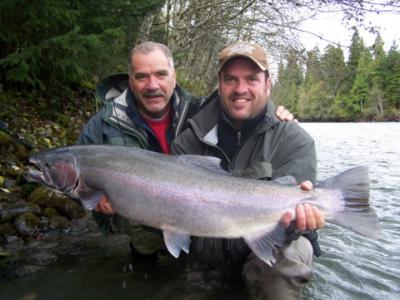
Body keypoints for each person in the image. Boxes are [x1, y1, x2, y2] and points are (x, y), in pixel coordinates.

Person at [77, 41, 296, 258]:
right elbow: (70, 180)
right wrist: (93, 201)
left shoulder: (200, 111)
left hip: (197, 222)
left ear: (174, 77)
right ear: (130, 81)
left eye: (161, 74)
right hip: (141, 228)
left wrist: (275, 117)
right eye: (142, 76)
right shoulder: (103, 125)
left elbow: (242, 102)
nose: (152, 85)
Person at [171, 41, 325, 299]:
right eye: (230, 79)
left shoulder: (294, 140)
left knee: (292, 252)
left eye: (251, 79)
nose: (240, 89)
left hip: (269, 250)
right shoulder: (187, 142)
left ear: (267, 84)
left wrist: (303, 220)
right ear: (219, 84)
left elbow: (295, 222)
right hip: (208, 257)